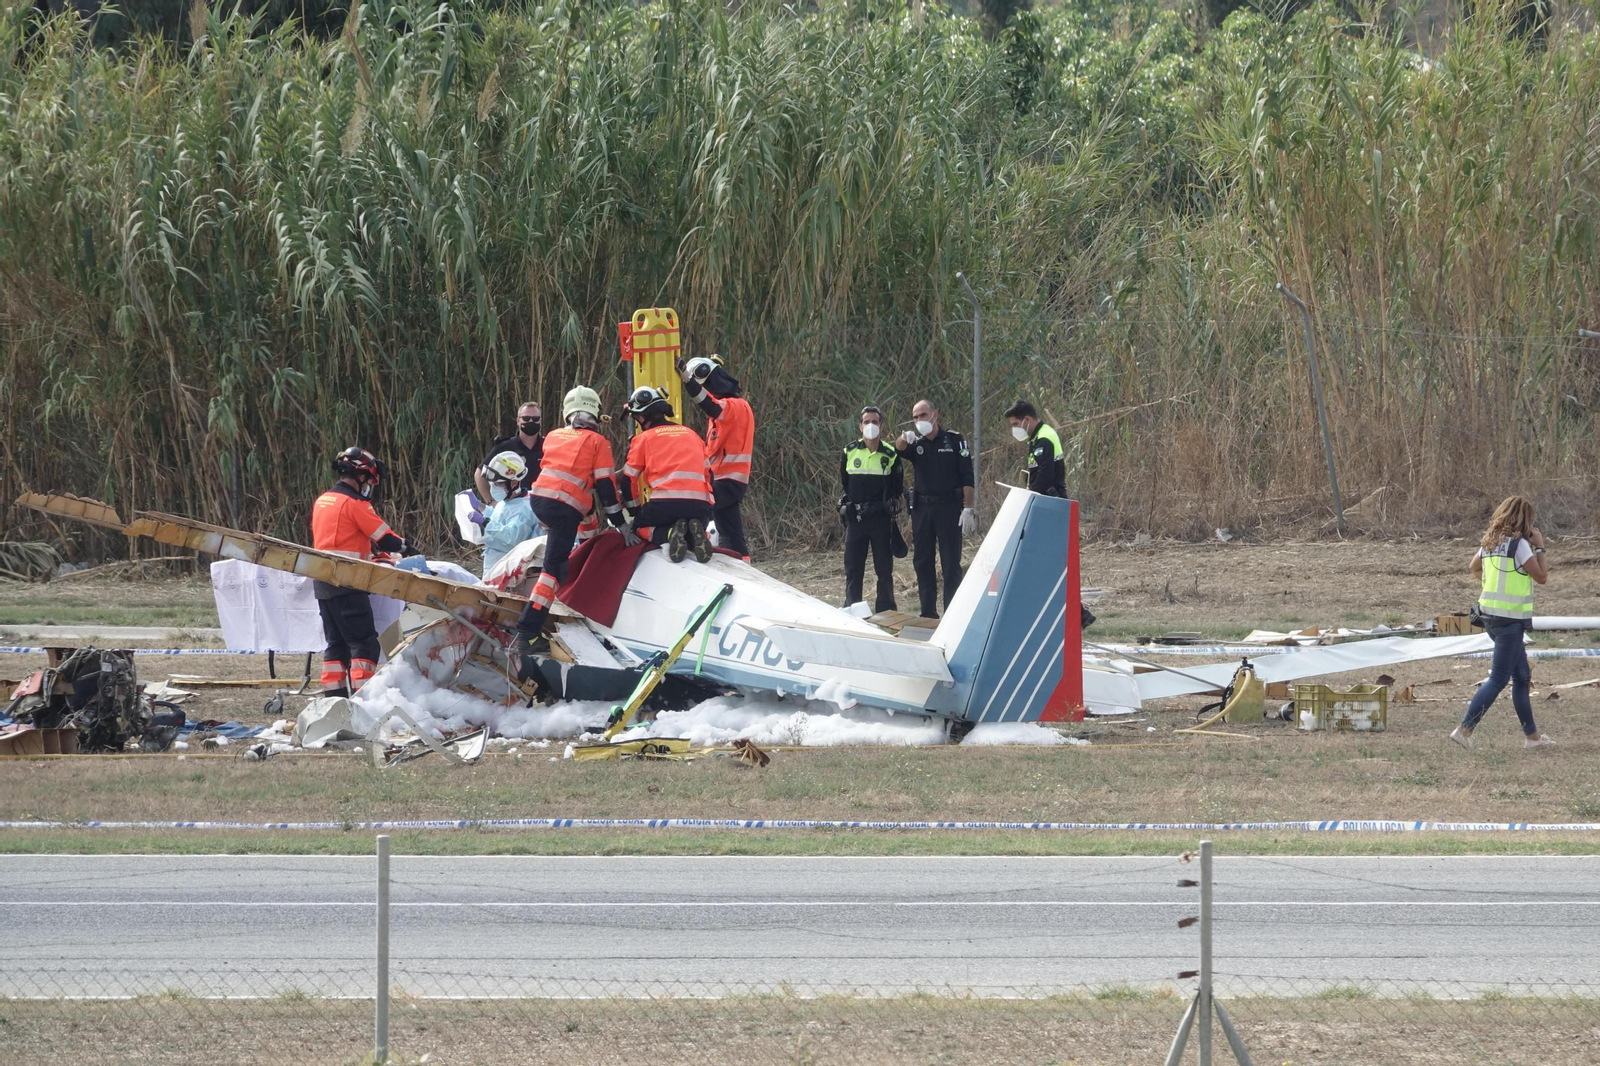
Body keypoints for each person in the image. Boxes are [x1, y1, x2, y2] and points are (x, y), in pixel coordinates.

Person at [514, 387, 629, 659]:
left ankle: (589, 548)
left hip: (540, 500)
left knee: (586, 515)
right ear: (596, 413)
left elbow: (580, 482)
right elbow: (605, 488)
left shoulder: (554, 435)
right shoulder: (598, 442)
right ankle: (528, 633)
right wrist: (620, 523)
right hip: (564, 508)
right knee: (554, 570)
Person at [1451, 495, 1554, 752]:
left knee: (1521, 677)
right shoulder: (1519, 545)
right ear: (1525, 520)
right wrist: (1539, 547)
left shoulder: (1490, 541)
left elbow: (1473, 568)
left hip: (1490, 617)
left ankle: (1533, 738)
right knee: (1498, 679)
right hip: (1510, 620)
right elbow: (1541, 577)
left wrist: (1490, 584)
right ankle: (1464, 730)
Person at [311, 447, 416, 697]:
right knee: (364, 644)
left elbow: (340, 539)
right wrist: (407, 548)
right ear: (361, 476)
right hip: (347, 581)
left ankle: (333, 701)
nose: (369, 485)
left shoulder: (323, 500)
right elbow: (386, 538)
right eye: (369, 480)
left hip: (323, 581)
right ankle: (363, 700)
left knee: (336, 645)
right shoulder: (355, 503)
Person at [895, 399, 976, 618]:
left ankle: (952, 613)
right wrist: (904, 437)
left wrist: (968, 508)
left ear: (935, 414)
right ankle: (928, 613)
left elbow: (967, 476)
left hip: (949, 509)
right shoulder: (916, 442)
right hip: (923, 509)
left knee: (951, 563)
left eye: (923, 415)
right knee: (923, 561)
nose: (919, 420)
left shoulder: (954, 440)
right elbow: (898, 449)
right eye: (915, 417)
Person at [619, 385, 715, 563]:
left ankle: (669, 533)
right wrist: (708, 510)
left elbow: (627, 481)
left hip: (665, 505)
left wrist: (635, 512)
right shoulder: (692, 435)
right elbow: (710, 475)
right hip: (699, 506)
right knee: (692, 521)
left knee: (639, 526)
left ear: (641, 416)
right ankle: (697, 536)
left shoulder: (643, 439)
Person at [681, 354, 755, 560]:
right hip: (721, 479)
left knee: (699, 507)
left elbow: (709, 404)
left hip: (729, 480)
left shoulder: (734, 406)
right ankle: (741, 563)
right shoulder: (720, 416)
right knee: (731, 531)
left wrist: (687, 379)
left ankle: (692, 543)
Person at [839, 406, 904, 612]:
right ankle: (853, 607)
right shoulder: (849, 452)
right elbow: (845, 483)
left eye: (874, 422)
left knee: (884, 568)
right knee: (853, 568)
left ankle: (886, 609)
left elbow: (897, 487)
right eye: (866, 422)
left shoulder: (891, 454)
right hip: (856, 520)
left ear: (881, 426)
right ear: (860, 426)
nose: (870, 426)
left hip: (881, 519)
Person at [479, 451, 541, 577]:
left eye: (498, 484)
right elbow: (500, 517)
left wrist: (485, 523)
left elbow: (513, 536)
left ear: (513, 483)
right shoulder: (507, 501)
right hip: (495, 564)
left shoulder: (524, 508)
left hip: (508, 569)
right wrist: (480, 507)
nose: (493, 487)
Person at [474, 401, 543, 503]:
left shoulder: (548, 446)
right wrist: (491, 502)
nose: (531, 422)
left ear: (540, 421)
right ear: (518, 421)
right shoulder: (505, 446)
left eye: (535, 419)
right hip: (513, 508)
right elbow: (480, 473)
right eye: (526, 419)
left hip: (542, 508)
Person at [1003, 400, 1067, 497]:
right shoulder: (1037, 436)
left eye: (1015, 424)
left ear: (1027, 420)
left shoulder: (1043, 438)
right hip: (1046, 497)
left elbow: (1045, 475)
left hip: (1050, 499)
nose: (1014, 429)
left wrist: (1030, 495)